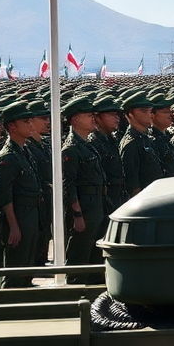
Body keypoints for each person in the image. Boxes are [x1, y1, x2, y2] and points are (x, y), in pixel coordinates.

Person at [0, 101, 43, 288]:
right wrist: (13, 226)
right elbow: (4, 195)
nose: (31, 125)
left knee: (27, 267)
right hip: (18, 216)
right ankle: (10, 307)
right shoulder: (8, 157)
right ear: (12, 126)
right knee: (16, 268)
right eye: (26, 122)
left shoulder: (25, 151)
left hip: (31, 213)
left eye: (31, 121)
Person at [60, 94, 106, 284]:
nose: (93, 119)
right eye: (88, 115)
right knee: (80, 255)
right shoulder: (71, 148)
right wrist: (77, 214)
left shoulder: (87, 145)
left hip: (96, 206)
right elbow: (68, 185)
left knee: (94, 256)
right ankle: (74, 296)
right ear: (75, 119)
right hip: (84, 209)